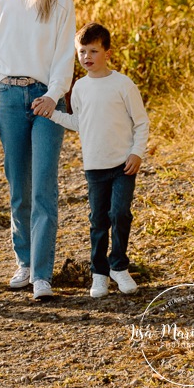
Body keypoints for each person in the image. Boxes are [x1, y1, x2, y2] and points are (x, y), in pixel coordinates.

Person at [0, 0, 75, 301]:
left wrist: (53, 96)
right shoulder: (4, 3)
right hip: (9, 97)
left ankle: (42, 275)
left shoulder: (60, 3)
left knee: (43, 188)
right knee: (18, 187)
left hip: (45, 101)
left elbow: (65, 56)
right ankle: (24, 261)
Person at [49, 22, 149, 298]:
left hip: (123, 164)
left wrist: (136, 152)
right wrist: (52, 114)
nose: (87, 57)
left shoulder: (123, 84)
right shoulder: (79, 87)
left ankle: (119, 266)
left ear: (107, 52)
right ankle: (99, 273)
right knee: (98, 220)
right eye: (82, 52)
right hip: (94, 165)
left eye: (93, 50)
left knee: (120, 214)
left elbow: (141, 123)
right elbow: (79, 122)